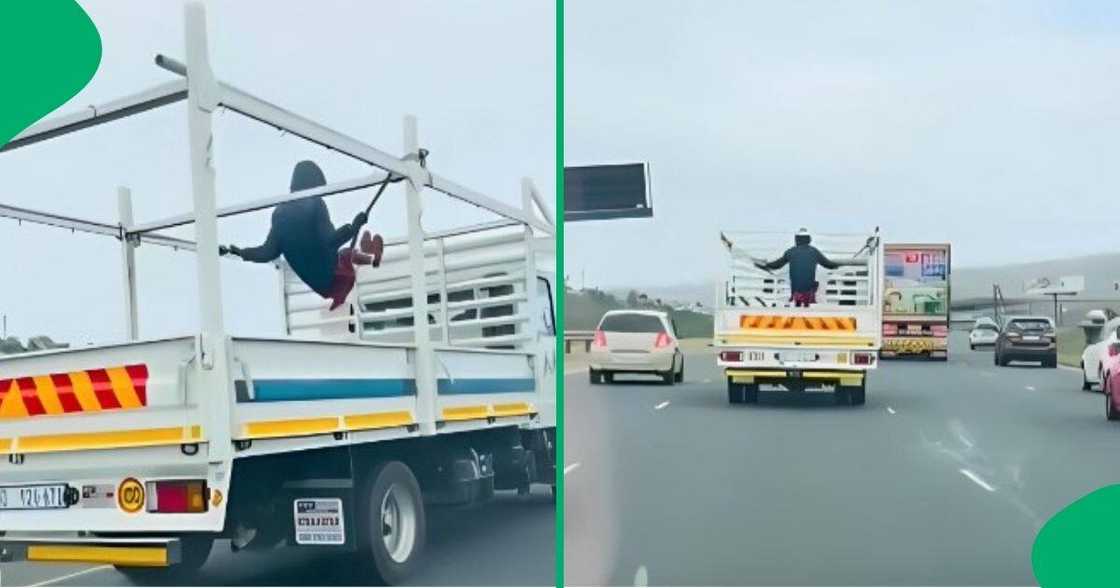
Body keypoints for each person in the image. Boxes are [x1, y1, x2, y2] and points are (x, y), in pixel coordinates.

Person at [222, 160, 384, 311]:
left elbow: (267, 252)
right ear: (313, 185)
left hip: (320, 286)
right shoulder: (314, 205)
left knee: (345, 255)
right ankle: (371, 259)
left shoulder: (279, 214)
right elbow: (331, 242)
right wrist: (354, 226)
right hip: (335, 277)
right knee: (347, 255)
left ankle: (365, 265)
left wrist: (242, 253)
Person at [755, 228, 840, 307]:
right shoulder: (814, 252)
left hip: (796, 292)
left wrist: (766, 266)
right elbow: (828, 264)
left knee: (797, 304)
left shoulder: (791, 252)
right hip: (809, 292)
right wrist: (839, 265)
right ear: (809, 239)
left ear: (796, 239)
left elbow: (777, 265)